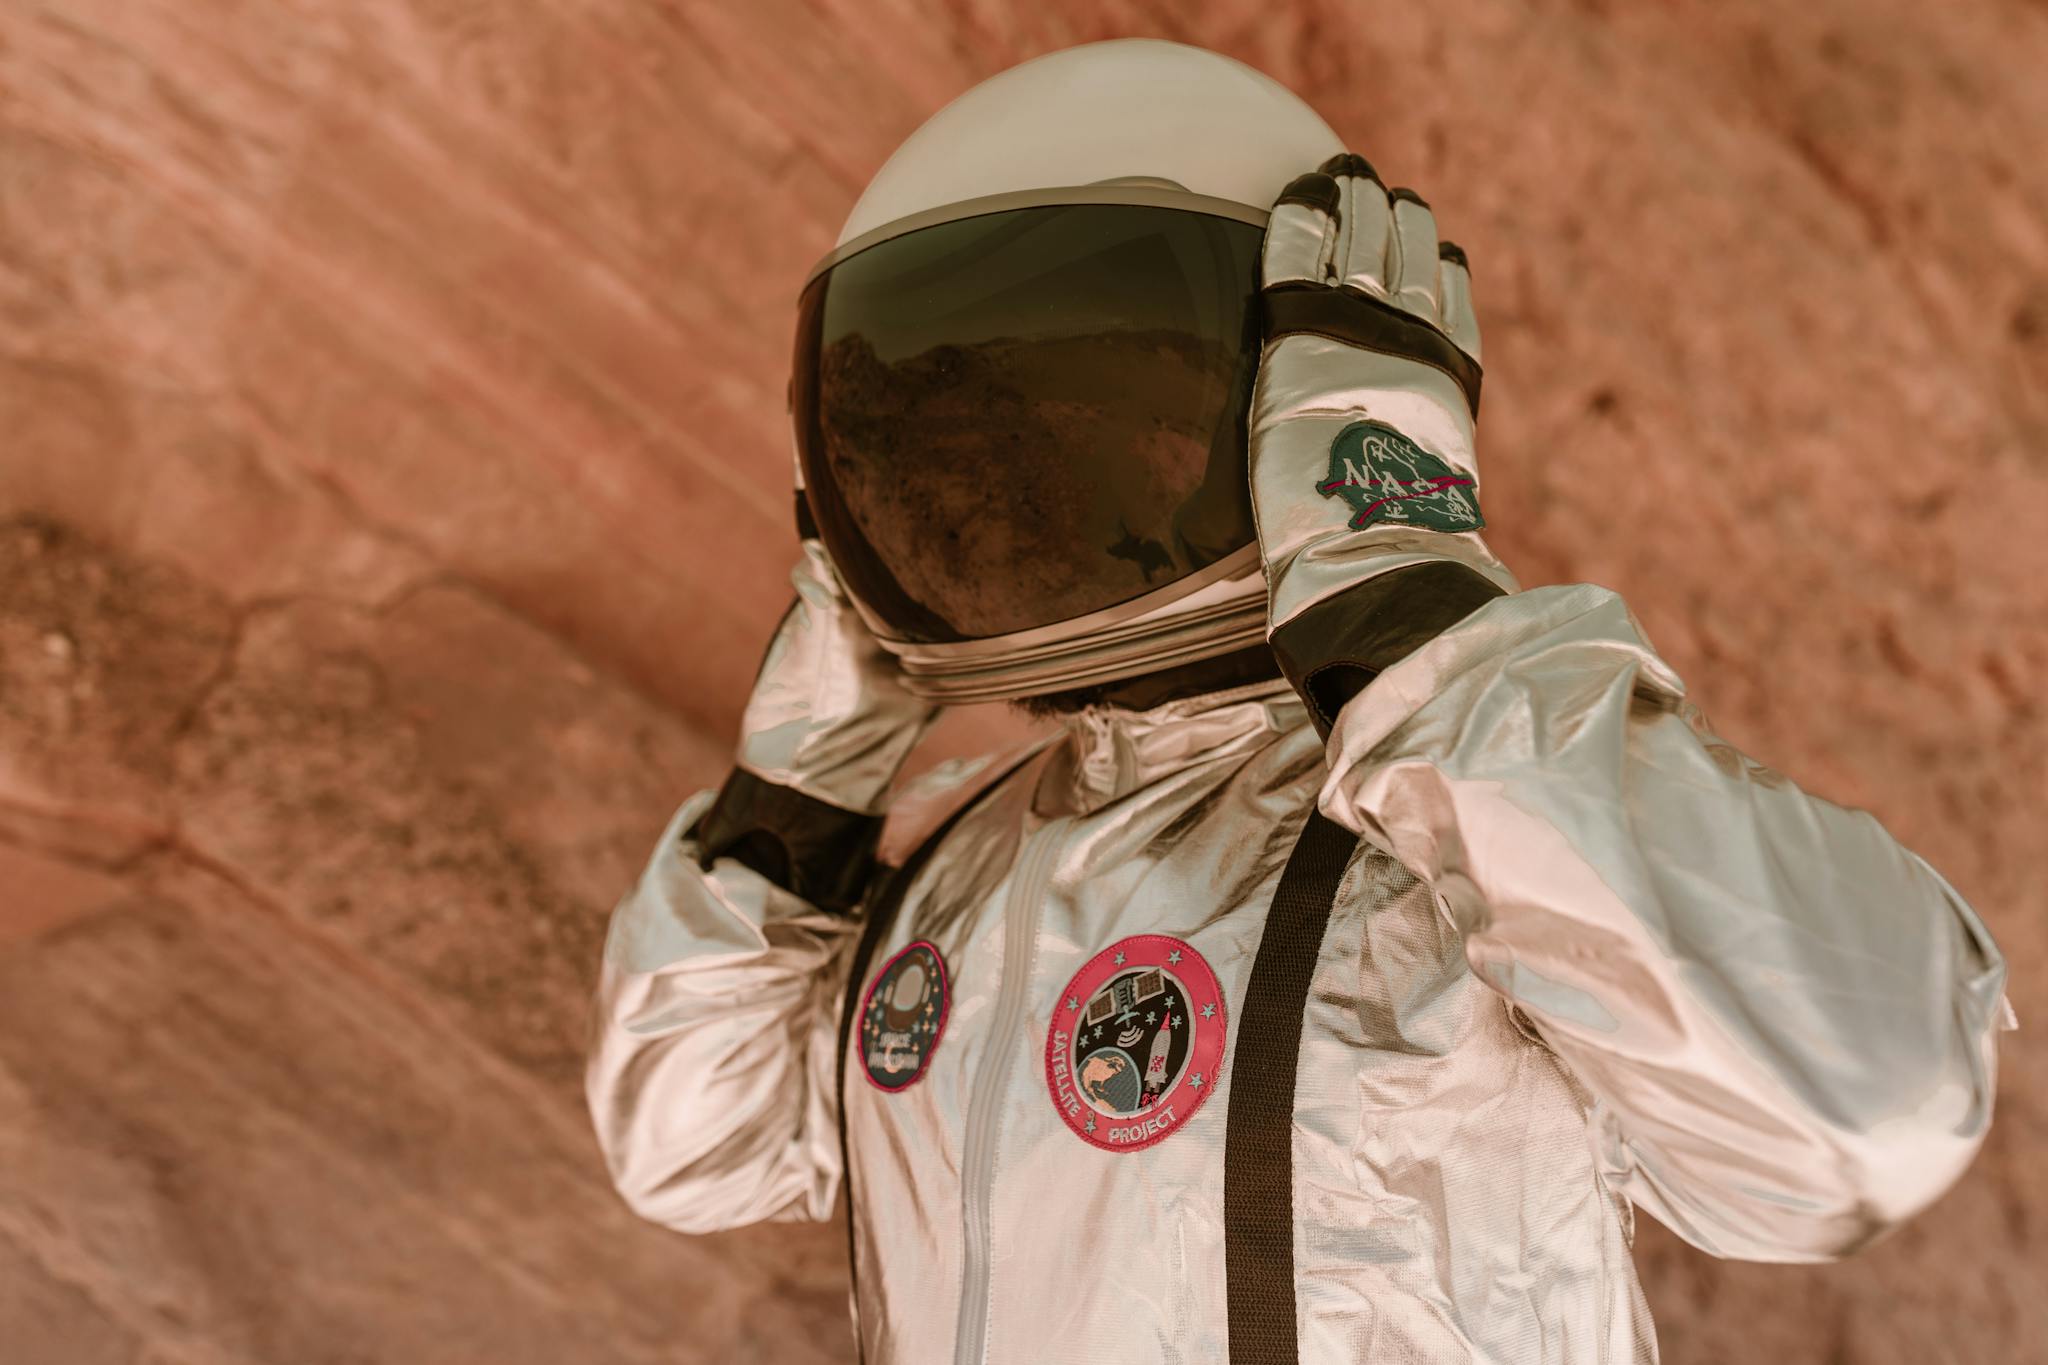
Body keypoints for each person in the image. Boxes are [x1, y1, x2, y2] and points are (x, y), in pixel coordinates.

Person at [584, 39, 2013, 1365]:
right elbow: (696, 1144)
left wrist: (1406, 605)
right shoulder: (947, 866)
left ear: (1303, 395)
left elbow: (1864, 1100)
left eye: (1100, 413)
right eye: (966, 429)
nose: (1021, 481)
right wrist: (795, 794)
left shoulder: (1464, 829)